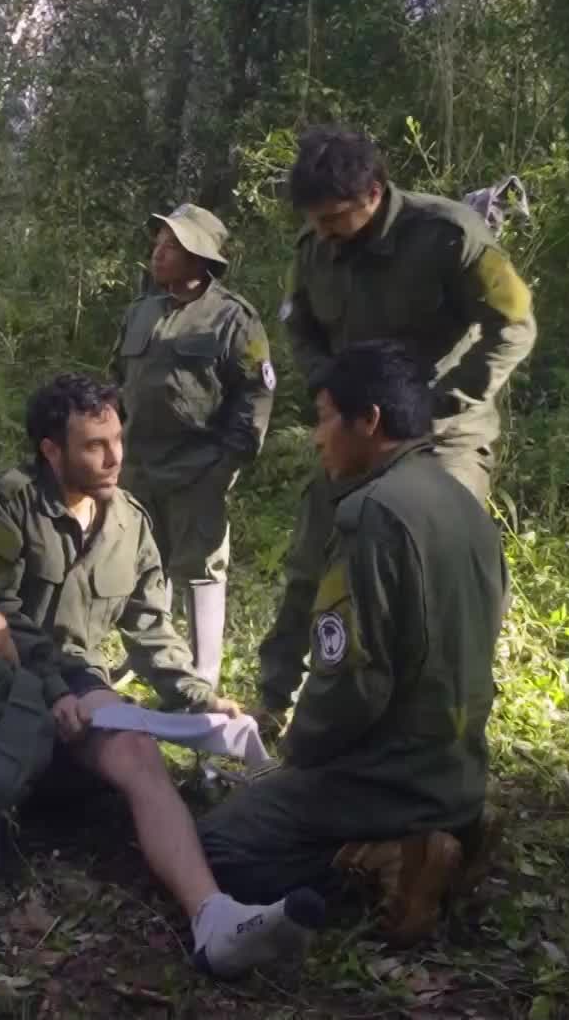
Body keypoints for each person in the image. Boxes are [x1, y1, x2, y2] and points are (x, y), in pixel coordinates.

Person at [0, 373, 323, 979]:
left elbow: (151, 631)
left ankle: (212, 918)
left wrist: (201, 699)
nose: (114, 455)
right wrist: (50, 692)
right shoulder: (10, 499)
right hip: (10, 682)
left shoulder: (131, 521)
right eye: (94, 444)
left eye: (118, 439)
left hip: (79, 685)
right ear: (51, 450)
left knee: (138, 751)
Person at [199, 340, 508, 943]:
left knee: (218, 848)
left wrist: (298, 754)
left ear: (368, 421)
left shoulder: (371, 513)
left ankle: (391, 861)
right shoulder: (465, 504)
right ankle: (454, 833)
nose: (317, 437)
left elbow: (352, 682)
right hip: (459, 766)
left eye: (324, 417)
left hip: (390, 775)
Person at [256, 124, 536, 724]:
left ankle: (452, 715)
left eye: (335, 219)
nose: (325, 233)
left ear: (374, 194)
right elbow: (299, 324)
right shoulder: (314, 250)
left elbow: (514, 325)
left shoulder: (449, 236)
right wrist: (331, 386)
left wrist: (444, 401)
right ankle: (272, 699)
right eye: (315, 221)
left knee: (449, 565)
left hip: (443, 431)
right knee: (316, 553)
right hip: (359, 427)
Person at [112, 203, 274, 686]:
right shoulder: (141, 312)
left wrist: (228, 462)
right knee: (140, 565)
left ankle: (203, 672)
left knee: (201, 568)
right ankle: (144, 659)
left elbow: (255, 391)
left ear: (199, 259)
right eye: (158, 243)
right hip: (138, 466)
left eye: (171, 246)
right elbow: (118, 380)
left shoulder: (233, 319)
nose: (157, 253)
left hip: (198, 468)